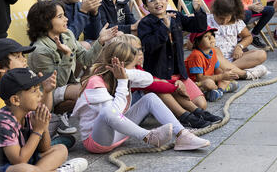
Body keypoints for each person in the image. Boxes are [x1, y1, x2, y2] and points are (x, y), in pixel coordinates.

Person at [73, 40, 210, 154]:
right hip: (97, 141)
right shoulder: (95, 83)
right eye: (133, 67)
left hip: (119, 133)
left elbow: (148, 79)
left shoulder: (122, 75)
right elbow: (114, 114)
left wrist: (126, 74)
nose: (135, 70)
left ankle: (182, 135)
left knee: (150, 97)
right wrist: (122, 81)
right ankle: (148, 137)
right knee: (108, 111)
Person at [0, 67, 87, 172]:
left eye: (39, 89)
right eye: (34, 91)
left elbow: (45, 149)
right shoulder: (3, 122)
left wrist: (44, 127)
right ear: (15, 100)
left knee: (61, 149)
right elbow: (19, 160)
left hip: (22, 163)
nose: (40, 95)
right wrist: (37, 130)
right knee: (23, 171)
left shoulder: (27, 113)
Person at [26, 0, 117, 115]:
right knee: (88, 92)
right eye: (60, 16)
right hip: (47, 95)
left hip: (67, 85)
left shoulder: (67, 34)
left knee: (104, 83)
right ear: (45, 22)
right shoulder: (40, 51)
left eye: (64, 15)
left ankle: (112, 117)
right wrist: (67, 55)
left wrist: (100, 41)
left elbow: (86, 59)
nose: (66, 19)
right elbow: (57, 84)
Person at [137, 0, 215, 120]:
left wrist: (197, 10)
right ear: (146, 6)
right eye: (152, 0)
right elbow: (150, 46)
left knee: (201, 105)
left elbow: (199, 27)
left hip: (179, 73)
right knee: (177, 103)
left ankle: (176, 104)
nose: (157, 2)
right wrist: (164, 27)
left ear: (166, 0)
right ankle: (173, 108)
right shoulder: (145, 23)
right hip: (159, 74)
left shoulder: (175, 15)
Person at [207, 0, 269, 76]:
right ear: (214, 13)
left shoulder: (236, 22)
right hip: (216, 60)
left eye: (227, 18)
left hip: (235, 59)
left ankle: (227, 71)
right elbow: (192, 44)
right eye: (221, 18)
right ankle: (242, 74)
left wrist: (240, 46)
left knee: (261, 54)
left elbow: (248, 37)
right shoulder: (207, 21)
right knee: (214, 51)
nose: (224, 21)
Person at [186, 27, 246, 102]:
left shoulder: (213, 51)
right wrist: (221, 76)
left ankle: (219, 91)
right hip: (197, 83)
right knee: (209, 83)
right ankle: (219, 90)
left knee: (226, 76)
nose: (211, 38)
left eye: (212, 35)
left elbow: (217, 69)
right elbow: (199, 78)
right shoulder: (196, 55)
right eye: (206, 36)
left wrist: (225, 74)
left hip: (211, 78)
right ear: (197, 42)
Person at [0, 38, 39, 115]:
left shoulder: (16, 84)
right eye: (18, 57)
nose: (24, 60)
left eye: (23, 55)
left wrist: (47, 91)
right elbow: (8, 123)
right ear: (0, 68)